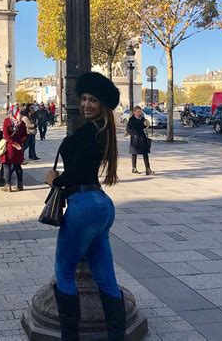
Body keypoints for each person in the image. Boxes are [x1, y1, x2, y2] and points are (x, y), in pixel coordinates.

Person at [44, 72, 126, 340]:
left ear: (103, 104)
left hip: (83, 205)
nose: (86, 104)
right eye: (84, 99)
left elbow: (76, 174)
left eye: (93, 100)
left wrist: (55, 181)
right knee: (105, 277)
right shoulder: (101, 131)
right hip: (101, 205)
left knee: (64, 273)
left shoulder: (93, 132)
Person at [1, 106, 27, 192]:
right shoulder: (22, 123)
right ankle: (20, 185)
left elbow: (5, 135)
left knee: (7, 165)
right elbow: (25, 136)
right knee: (17, 165)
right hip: (19, 147)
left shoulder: (7, 121)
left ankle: (8, 185)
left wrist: (13, 143)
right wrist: (19, 142)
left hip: (9, 147)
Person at [127, 106, 154, 175]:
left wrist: (146, 125)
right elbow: (128, 129)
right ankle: (134, 168)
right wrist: (133, 134)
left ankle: (148, 169)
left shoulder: (142, 118)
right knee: (134, 153)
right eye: (137, 112)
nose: (139, 113)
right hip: (135, 138)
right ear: (134, 112)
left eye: (140, 112)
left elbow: (144, 126)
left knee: (145, 153)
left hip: (142, 137)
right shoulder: (131, 120)